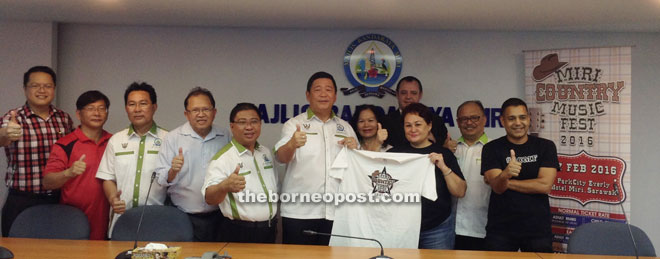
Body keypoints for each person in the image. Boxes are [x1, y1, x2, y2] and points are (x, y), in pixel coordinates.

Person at [274, 71, 358, 245]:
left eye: (328, 90)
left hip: (336, 212)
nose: (323, 94)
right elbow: (281, 157)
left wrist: (355, 150)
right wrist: (291, 144)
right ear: (308, 95)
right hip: (299, 212)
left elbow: (357, 168)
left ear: (335, 96)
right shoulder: (294, 124)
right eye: (317, 89)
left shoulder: (346, 127)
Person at [0, 66, 74, 236]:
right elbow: (2, 138)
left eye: (47, 86)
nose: (42, 90)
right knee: (17, 251)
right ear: (25, 89)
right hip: (22, 199)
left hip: (57, 198)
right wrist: (5, 133)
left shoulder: (64, 119)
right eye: (35, 85)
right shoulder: (13, 117)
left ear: (54, 89)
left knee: (55, 250)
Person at [481, 97, 559, 252]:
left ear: (529, 119)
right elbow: (497, 188)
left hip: (537, 229)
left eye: (522, 117)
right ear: (502, 121)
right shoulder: (491, 148)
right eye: (511, 118)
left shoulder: (546, 146)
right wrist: (505, 174)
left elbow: (544, 186)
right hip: (501, 229)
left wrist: (507, 181)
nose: (518, 123)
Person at [155, 87, 231, 242]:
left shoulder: (226, 136)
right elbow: (161, 179)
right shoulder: (173, 138)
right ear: (186, 114)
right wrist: (172, 171)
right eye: (195, 110)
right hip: (183, 217)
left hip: (220, 216)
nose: (201, 114)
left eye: (206, 109)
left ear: (214, 112)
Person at [388, 102, 466, 249]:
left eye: (418, 124)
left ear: (429, 126)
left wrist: (443, 167)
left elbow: (460, 191)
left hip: (437, 228)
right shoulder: (393, 154)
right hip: (400, 227)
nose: (413, 129)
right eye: (408, 125)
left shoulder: (444, 154)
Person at [96, 82, 168, 238]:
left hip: (157, 221)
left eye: (143, 104)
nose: (137, 109)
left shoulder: (168, 139)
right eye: (131, 104)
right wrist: (112, 198)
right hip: (122, 221)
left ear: (154, 107)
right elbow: (107, 177)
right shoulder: (116, 140)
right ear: (126, 108)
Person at [203, 103, 277, 243]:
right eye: (242, 122)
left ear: (260, 124)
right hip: (240, 232)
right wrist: (224, 186)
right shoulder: (223, 158)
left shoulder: (265, 152)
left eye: (254, 122)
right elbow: (209, 198)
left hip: (269, 229)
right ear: (232, 127)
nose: (249, 127)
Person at [43, 90, 112, 240]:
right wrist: (69, 172)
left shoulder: (115, 142)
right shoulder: (65, 144)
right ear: (78, 114)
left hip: (109, 220)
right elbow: (47, 182)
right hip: (73, 221)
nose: (97, 113)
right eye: (90, 108)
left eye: (102, 108)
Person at [453, 100, 490, 250]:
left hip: (484, 228)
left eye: (474, 118)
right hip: (451, 229)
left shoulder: (494, 149)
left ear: (484, 119)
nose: (469, 122)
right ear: (457, 122)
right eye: (463, 119)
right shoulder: (449, 150)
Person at [383, 76, 456, 151]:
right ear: (397, 95)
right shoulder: (385, 121)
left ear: (420, 95)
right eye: (404, 93)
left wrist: (438, 143)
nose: (408, 97)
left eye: (413, 93)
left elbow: (445, 146)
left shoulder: (436, 120)